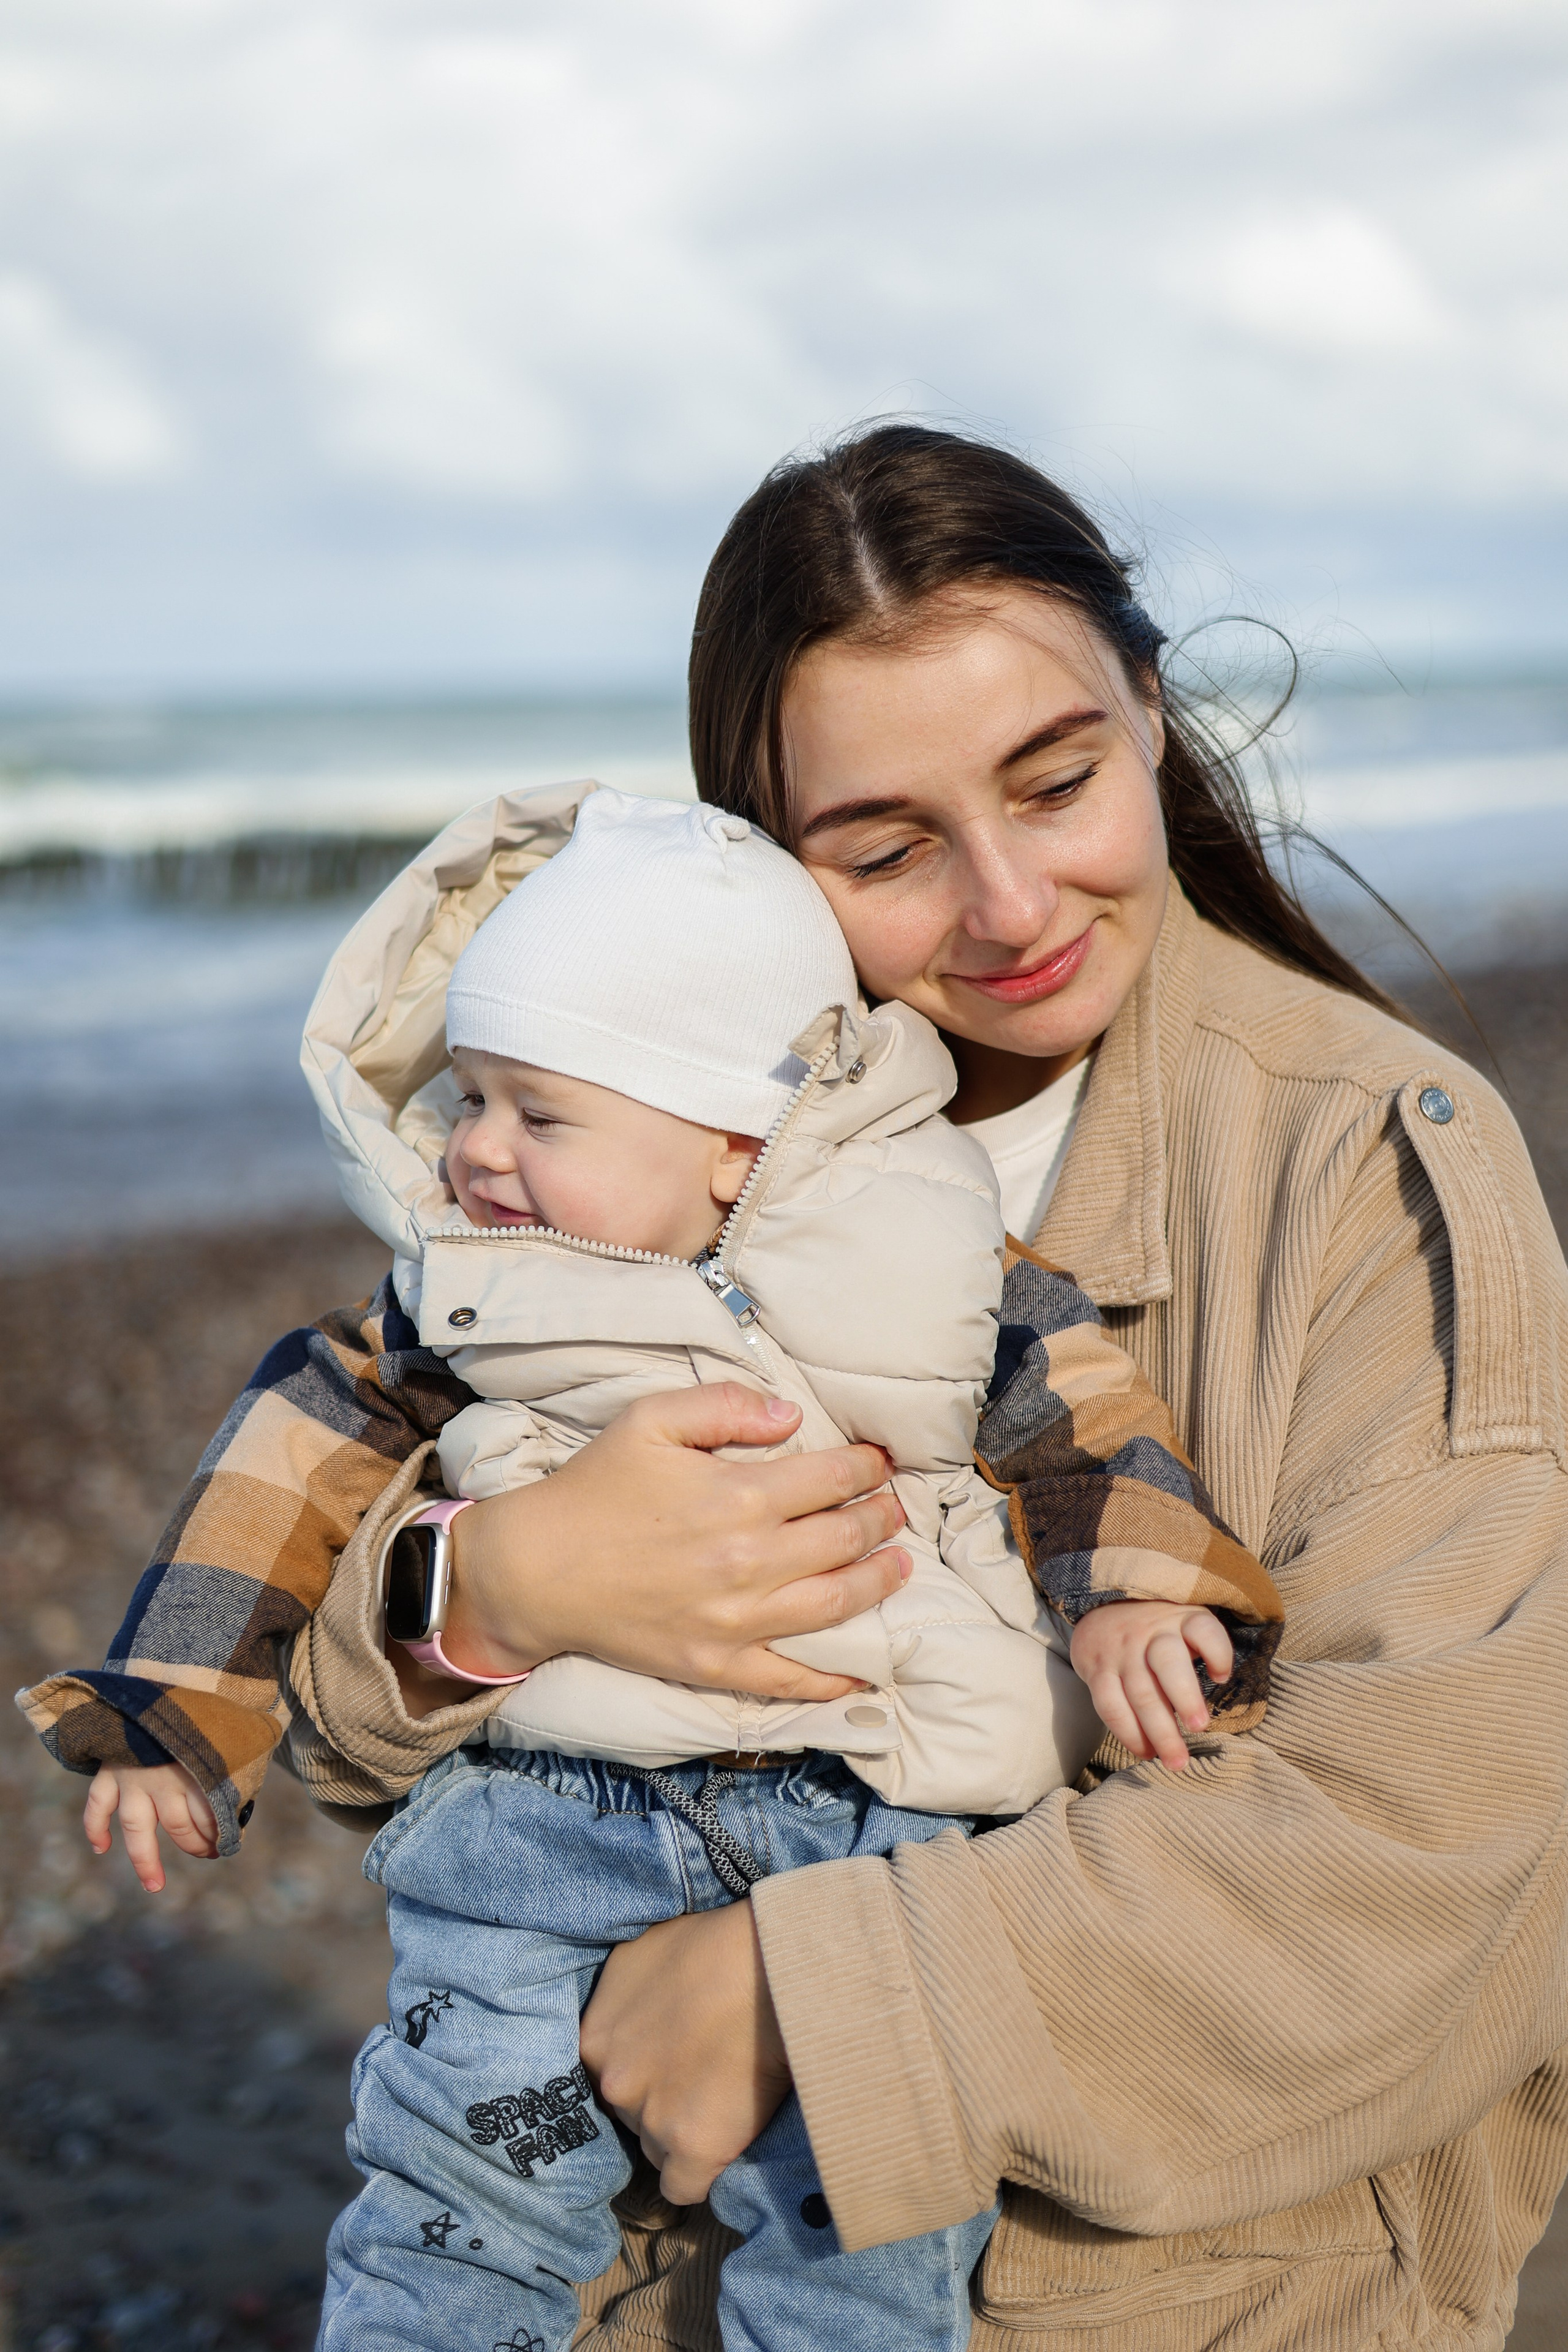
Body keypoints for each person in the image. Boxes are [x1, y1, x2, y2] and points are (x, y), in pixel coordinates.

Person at [20, 424, 1568, 2351]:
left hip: (1174, 2293)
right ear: (764, 861)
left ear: (1153, 718)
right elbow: (343, 1743)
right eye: (889, 847)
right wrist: (486, 1595)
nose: (1008, 904)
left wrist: (807, 2000)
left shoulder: (1371, 1164)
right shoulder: (621, 1152)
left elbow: (1442, 1839)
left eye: (1060, 780)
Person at [37, 782, 1278, 2352]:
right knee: (453, 2196)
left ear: (730, 1148)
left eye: (538, 1113)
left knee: (870, 2233)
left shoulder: (937, 1257)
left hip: (874, 1835)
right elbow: (285, 1462)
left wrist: (1133, 1595)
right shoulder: (475, 1294)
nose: (475, 1149)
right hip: (534, 1832)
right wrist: (172, 1714)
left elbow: (1081, 1418)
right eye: (471, 1096)